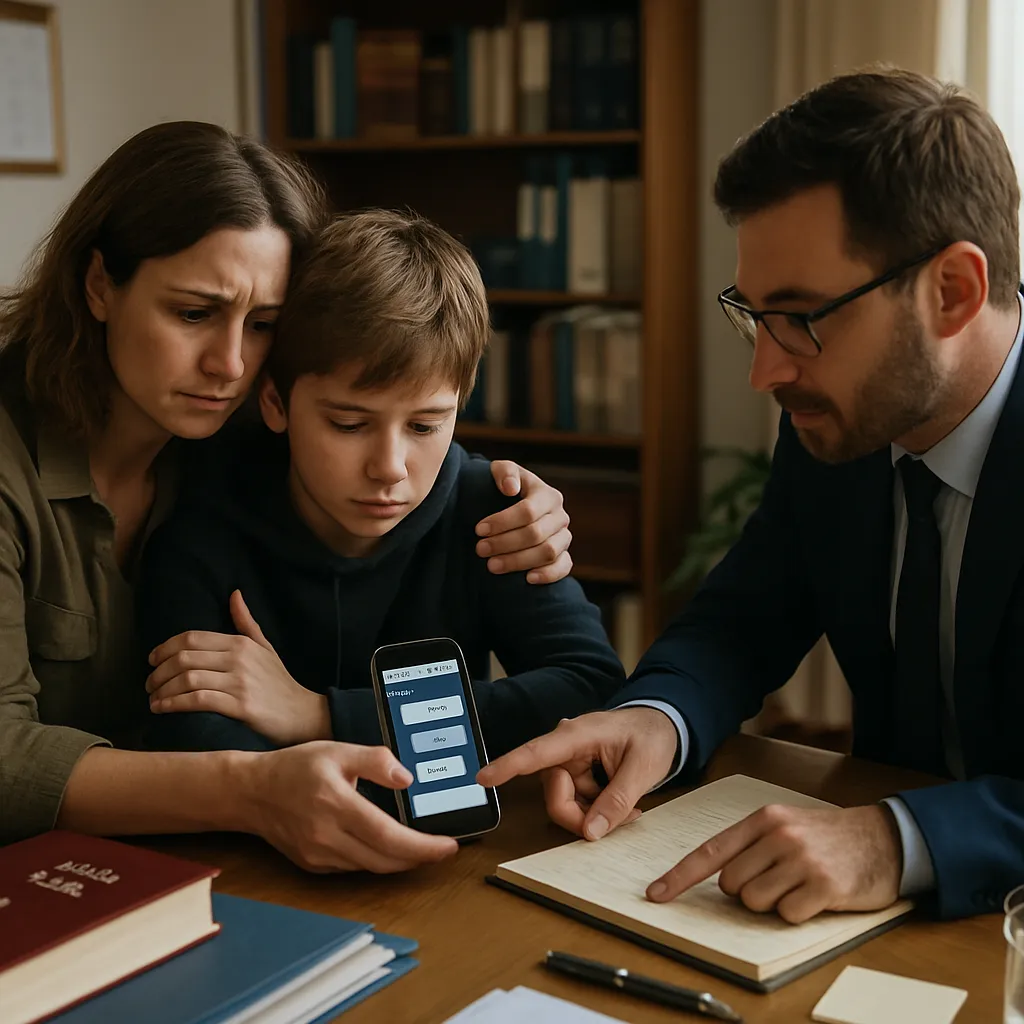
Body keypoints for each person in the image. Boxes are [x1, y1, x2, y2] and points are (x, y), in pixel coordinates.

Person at [479, 68, 1024, 922]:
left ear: (951, 291)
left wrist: (898, 840)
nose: (766, 371)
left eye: (802, 319)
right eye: (755, 315)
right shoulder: (839, 417)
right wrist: (659, 720)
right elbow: (748, 614)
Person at [0, 121, 575, 875]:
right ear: (101, 285)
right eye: (194, 313)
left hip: (187, 866)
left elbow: (390, 410)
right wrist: (251, 787)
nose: (230, 364)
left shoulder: (246, 434)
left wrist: (509, 496)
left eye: (266, 323)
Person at [137, 210, 624, 778]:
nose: (390, 468)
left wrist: (321, 716)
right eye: (348, 424)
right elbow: (197, 744)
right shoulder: (201, 529)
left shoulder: (494, 514)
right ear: (275, 404)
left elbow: (592, 692)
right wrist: (440, 739)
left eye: (424, 426)